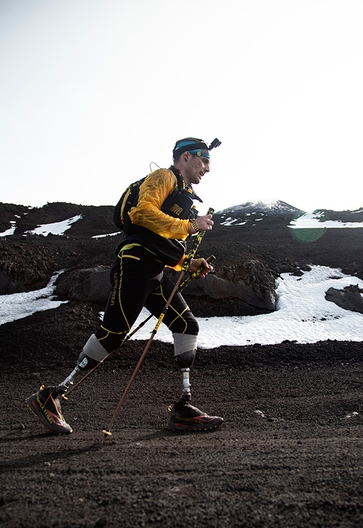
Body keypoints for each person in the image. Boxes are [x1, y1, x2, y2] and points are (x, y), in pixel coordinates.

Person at [26, 137, 224, 435]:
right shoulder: (163, 177)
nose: (207, 168)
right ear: (185, 158)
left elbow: (160, 240)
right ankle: (50, 396)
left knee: (187, 325)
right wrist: (191, 225)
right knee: (114, 332)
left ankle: (183, 408)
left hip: (154, 270)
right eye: (204, 160)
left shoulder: (182, 193)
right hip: (134, 264)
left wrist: (188, 262)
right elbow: (142, 214)